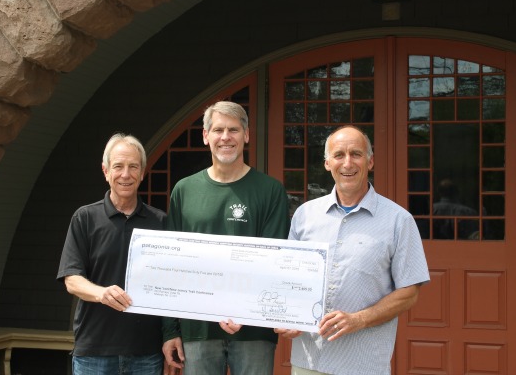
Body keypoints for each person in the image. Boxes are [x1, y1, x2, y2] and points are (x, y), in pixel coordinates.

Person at [276, 125, 430, 375]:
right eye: (339, 155)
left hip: (363, 363)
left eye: (356, 154)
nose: (347, 163)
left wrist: (359, 319)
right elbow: (289, 279)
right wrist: (289, 318)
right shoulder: (305, 215)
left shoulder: (398, 220)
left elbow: (410, 292)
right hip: (309, 361)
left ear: (370, 162)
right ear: (327, 163)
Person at [162, 101, 290, 375]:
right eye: (218, 130)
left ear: (246, 135)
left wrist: (242, 311)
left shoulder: (270, 191)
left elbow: (273, 262)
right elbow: (171, 265)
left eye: (233, 129)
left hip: (254, 329)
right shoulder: (184, 191)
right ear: (206, 136)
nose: (225, 137)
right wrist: (169, 330)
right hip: (197, 328)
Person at [57, 133, 167, 375]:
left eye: (133, 167)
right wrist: (101, 293)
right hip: (94, 353)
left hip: (146, 352)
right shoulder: (85, 218)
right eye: (118, 166)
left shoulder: (160, 221)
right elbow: (71, 280)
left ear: (142, 172)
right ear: (106, 171)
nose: (125, 174)